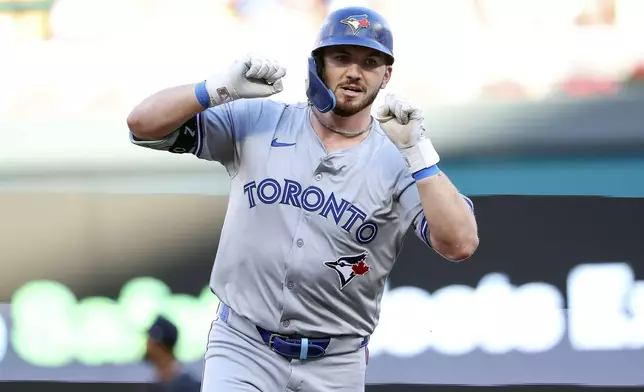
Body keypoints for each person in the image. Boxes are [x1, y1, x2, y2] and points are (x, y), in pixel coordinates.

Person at [126, 6, 479, 392]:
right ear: (319, 64)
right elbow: (142, 125)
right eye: (341, 57)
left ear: (386, 75)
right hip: (243, 347)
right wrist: (216, 89)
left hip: (336, 363)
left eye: (370, 61)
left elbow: (460, 244)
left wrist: (419, 153)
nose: (355, 72)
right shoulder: (258, 120)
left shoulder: (400, 157)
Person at [141, 316, 201, 392]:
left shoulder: (189, 386)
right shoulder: (153, 385)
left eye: (150, 340)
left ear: (159, 345)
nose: (147, 345)